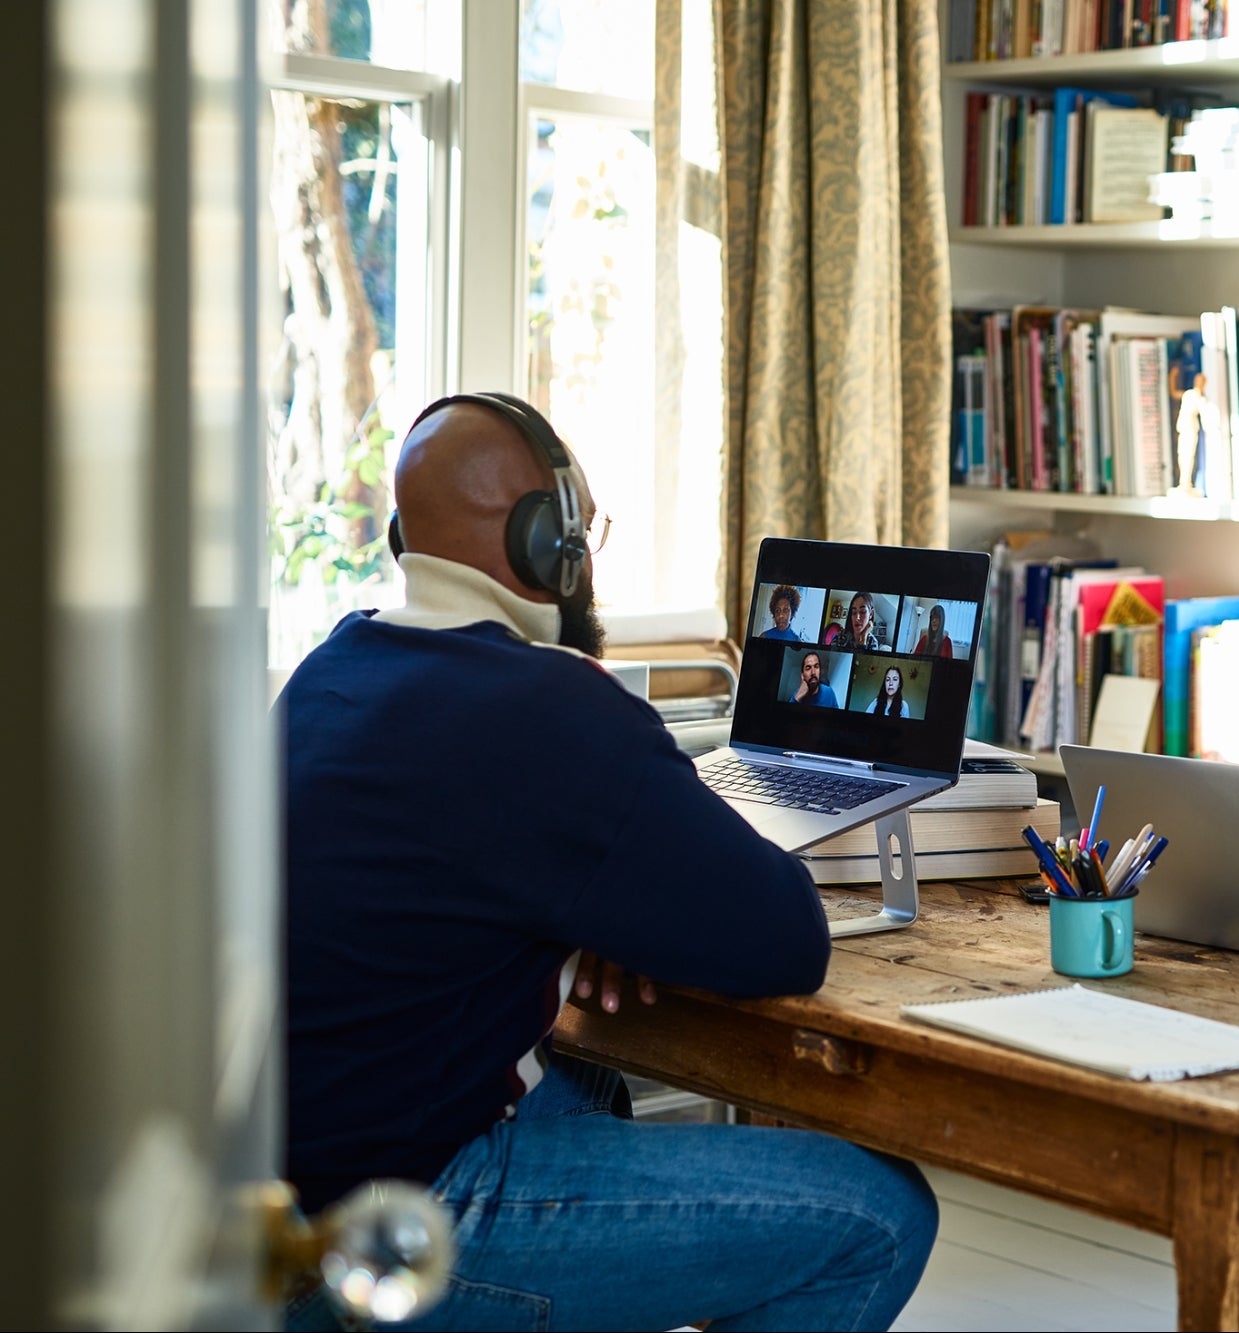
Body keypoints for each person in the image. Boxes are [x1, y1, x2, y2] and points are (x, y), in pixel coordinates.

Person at [279, 396, 937, 1332]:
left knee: (586, 1085)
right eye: (581, 532)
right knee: (880, 1215)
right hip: (382, 1231)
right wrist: (629, 896)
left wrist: (596, 910)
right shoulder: (549, 706)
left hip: (275, 1200)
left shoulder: (333, 669)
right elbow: (788, 937)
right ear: (544, 540)